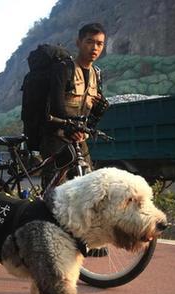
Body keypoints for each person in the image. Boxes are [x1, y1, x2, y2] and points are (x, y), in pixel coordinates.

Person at [40, 22, 109, 188]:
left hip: (79, 138)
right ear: (78, 42)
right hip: (56, 137)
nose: (94, 47)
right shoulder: (63, 69)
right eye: (89, 41)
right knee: (56, 192)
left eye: (99, 43)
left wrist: (97, 114)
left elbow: (92, 109)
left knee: (89, 187)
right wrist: (69, 128)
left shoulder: (96, 74)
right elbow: (56, 104)